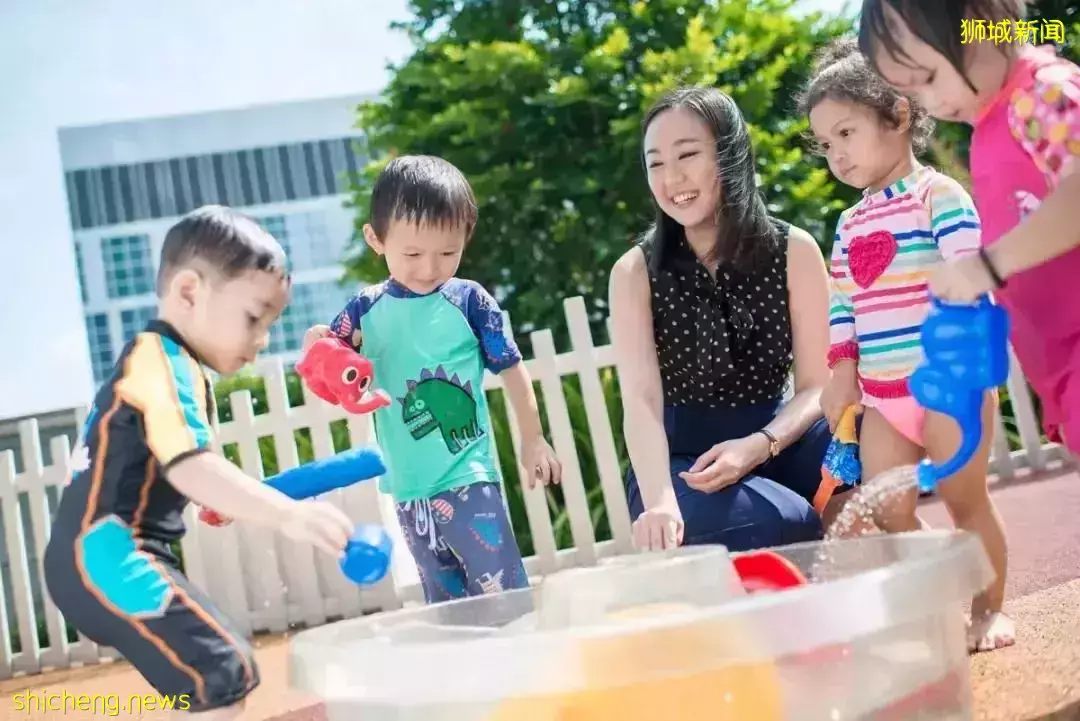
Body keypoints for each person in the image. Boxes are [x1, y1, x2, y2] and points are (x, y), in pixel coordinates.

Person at [43, 206, 355, 720]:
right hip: (108, 557)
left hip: (106, 555)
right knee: (221, 668)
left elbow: (172, 468)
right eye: (253, 318)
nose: (262, 341)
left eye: (270, 324)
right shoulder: (160, 361)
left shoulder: (167, 363)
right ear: (189, 292)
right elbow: (190, 466)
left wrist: (216, 495)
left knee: (205, 677)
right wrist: (288, 514)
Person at [804, 34, 1012, 653]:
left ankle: (989, 610)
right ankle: (947, 570)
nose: (836, 155)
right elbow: (843, 305)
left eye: (846, 133)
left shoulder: (937, 196)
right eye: (825, 144)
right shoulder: (847, 224)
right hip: (884, 396)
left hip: (948, 383)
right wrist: (841, 371)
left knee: (965, 500)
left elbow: (973, 271)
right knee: (886, 510)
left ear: (897, 116)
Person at [304, 155, 561, 603]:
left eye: (447, 252)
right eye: (412, 254)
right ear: (376, 239)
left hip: (469, 476)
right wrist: (316, 344)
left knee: (503, 595)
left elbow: (511, 368)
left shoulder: (470, 301)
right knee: (445, 606)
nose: (429, 268)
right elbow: (328, 366)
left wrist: (534, 438)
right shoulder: (364, 311)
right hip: (407, 489)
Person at [608, 86, 833, 554]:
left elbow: (816, 387)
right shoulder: (634, 272)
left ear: (729, 154)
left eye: (687, 155)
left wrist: (760, 444)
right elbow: (641, 403)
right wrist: (662, 501)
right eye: (655, 163)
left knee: (870, 444)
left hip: (780, 437)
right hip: (684, 465)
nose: (672, 178)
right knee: (783, 523)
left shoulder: (794, 250)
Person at [858, 0, 1080, 463]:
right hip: (1059, 361)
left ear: (981, 20)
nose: (931, 103)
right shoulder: (992, 124)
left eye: (929, 78)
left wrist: (989, 265)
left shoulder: (1043, 92)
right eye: (913, 92)